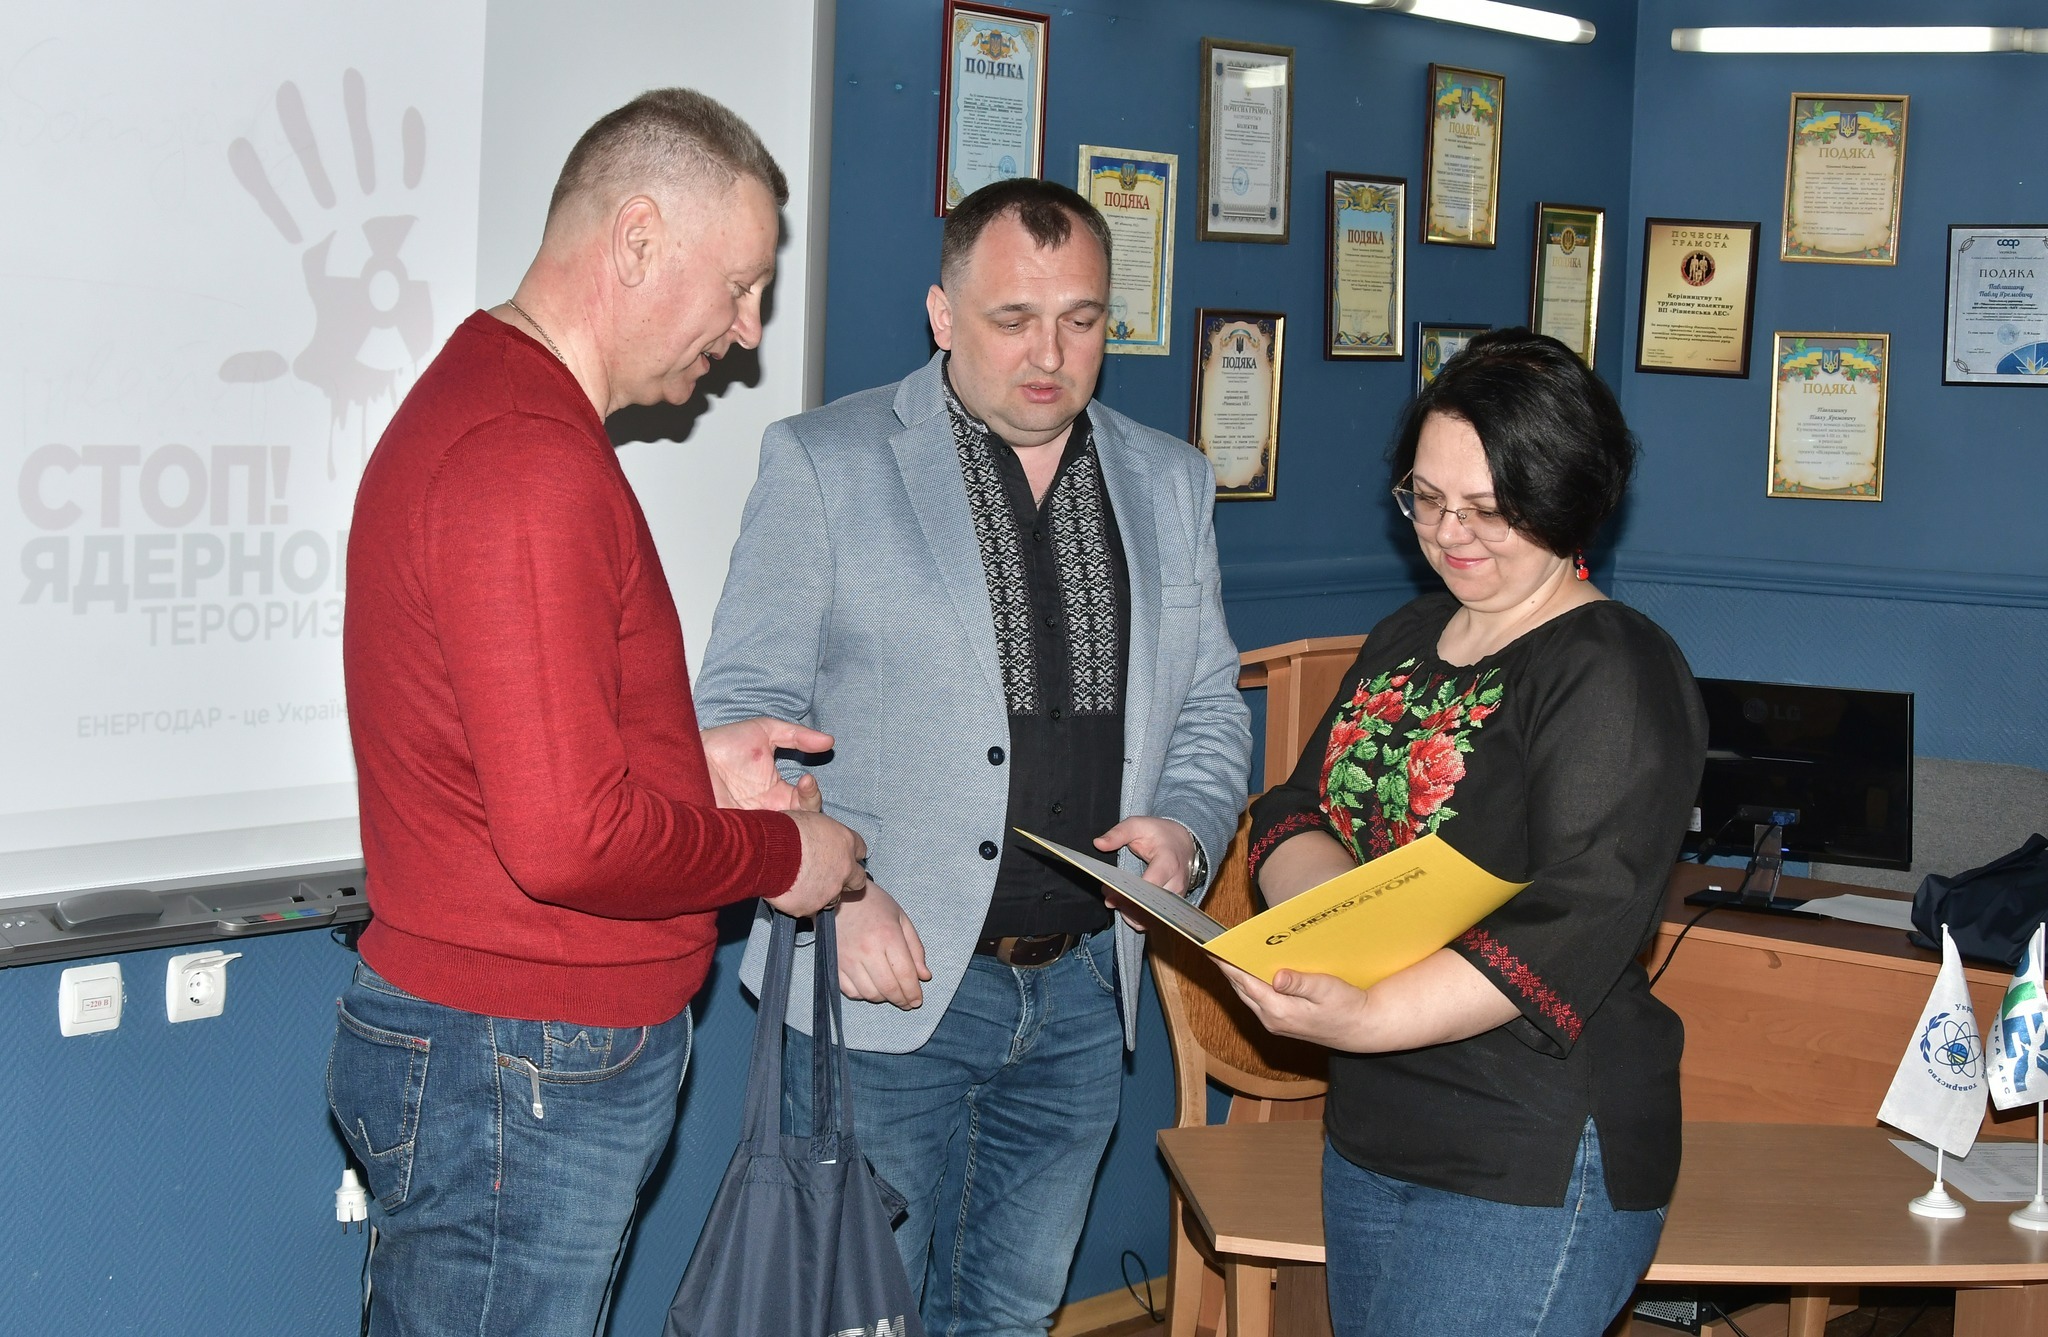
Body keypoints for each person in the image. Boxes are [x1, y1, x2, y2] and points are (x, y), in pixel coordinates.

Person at [331, 88, 869, 1337]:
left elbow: (517, 748)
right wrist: (780, 854)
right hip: (517, 1063)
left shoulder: (508, 419)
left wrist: (686, 760)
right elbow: (568, 837)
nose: (746, 332)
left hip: (510, 1059)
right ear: (635, 240)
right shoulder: (524, 456)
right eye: (739, 286)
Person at [693, 177, 1252, 1336]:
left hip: (1083, 994)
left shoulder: (1167, 478)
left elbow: (1208, 704)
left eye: (1080, 319)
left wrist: (1187, 830)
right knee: (855, 1319)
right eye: (1012, 319)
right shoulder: (825, 461)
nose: (1049, 354)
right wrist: (835, 891)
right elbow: (738, 719)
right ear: (942, 314)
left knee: (1009, 1316)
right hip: (879, 989)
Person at [1228, 328, 1707, 1337]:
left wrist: (1368, 1011)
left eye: (1489, 508)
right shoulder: (1407, 633)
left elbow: (1576, 911)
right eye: (1426, 497)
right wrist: (1326, 932)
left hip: (1529, 1147)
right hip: (1377, 1127)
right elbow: (1296, 808)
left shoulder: (1612, 665)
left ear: (1567, 498)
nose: (1450, 534)